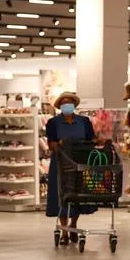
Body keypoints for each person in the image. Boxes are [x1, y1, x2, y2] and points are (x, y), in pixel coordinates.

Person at [45, 92, 96, 244]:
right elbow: (51, 144)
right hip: (60, 162)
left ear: (74, 105)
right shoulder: (53, 123)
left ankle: (73, 224)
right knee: (61, 194)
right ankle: (64, 230)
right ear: (60, 106)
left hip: (79, 161)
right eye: (64, 102)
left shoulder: (84, 121)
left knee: (78, 193)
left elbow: (91, 140)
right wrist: (59, 144)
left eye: (70, 102)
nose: (67, 104)